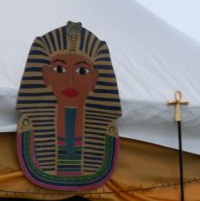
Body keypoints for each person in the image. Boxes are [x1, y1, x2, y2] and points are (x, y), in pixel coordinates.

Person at [16, 21, 122, 191]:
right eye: (59, 69)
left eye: (82, 71)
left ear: (95, 79)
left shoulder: (105, 145)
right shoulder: (30, 134)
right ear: (45, 75)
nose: (70, 81)